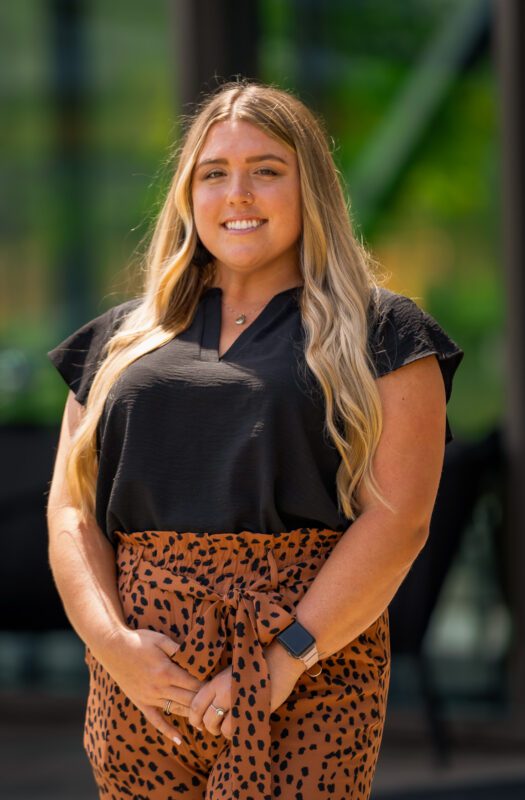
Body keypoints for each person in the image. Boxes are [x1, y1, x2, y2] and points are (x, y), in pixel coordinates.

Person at [46, 79, 464, 800]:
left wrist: (284, 660)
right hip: (146, 682)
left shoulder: (385, 332)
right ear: (188, 195)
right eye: (214, 174)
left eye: (266, 170)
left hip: (308, 669)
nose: (236, 194)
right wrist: (113, 648)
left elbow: (398, 520)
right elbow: (72, 512)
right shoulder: (120, 338)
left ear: (312, 189)